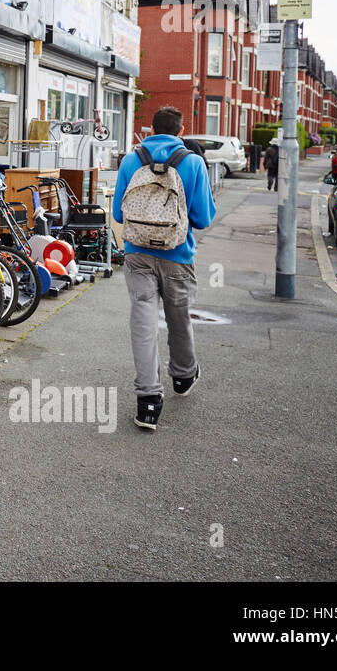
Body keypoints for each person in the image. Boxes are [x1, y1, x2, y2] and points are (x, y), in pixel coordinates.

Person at [113, 105, 216, 431]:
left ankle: (148, 403)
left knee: (143, 321)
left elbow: (118, 213)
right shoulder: (193, 162)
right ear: (180, 131)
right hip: (177, 256)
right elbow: (203, 218)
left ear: (151, 128)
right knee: (178, 319)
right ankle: (183, 376)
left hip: (137, 255)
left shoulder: (131, 161)